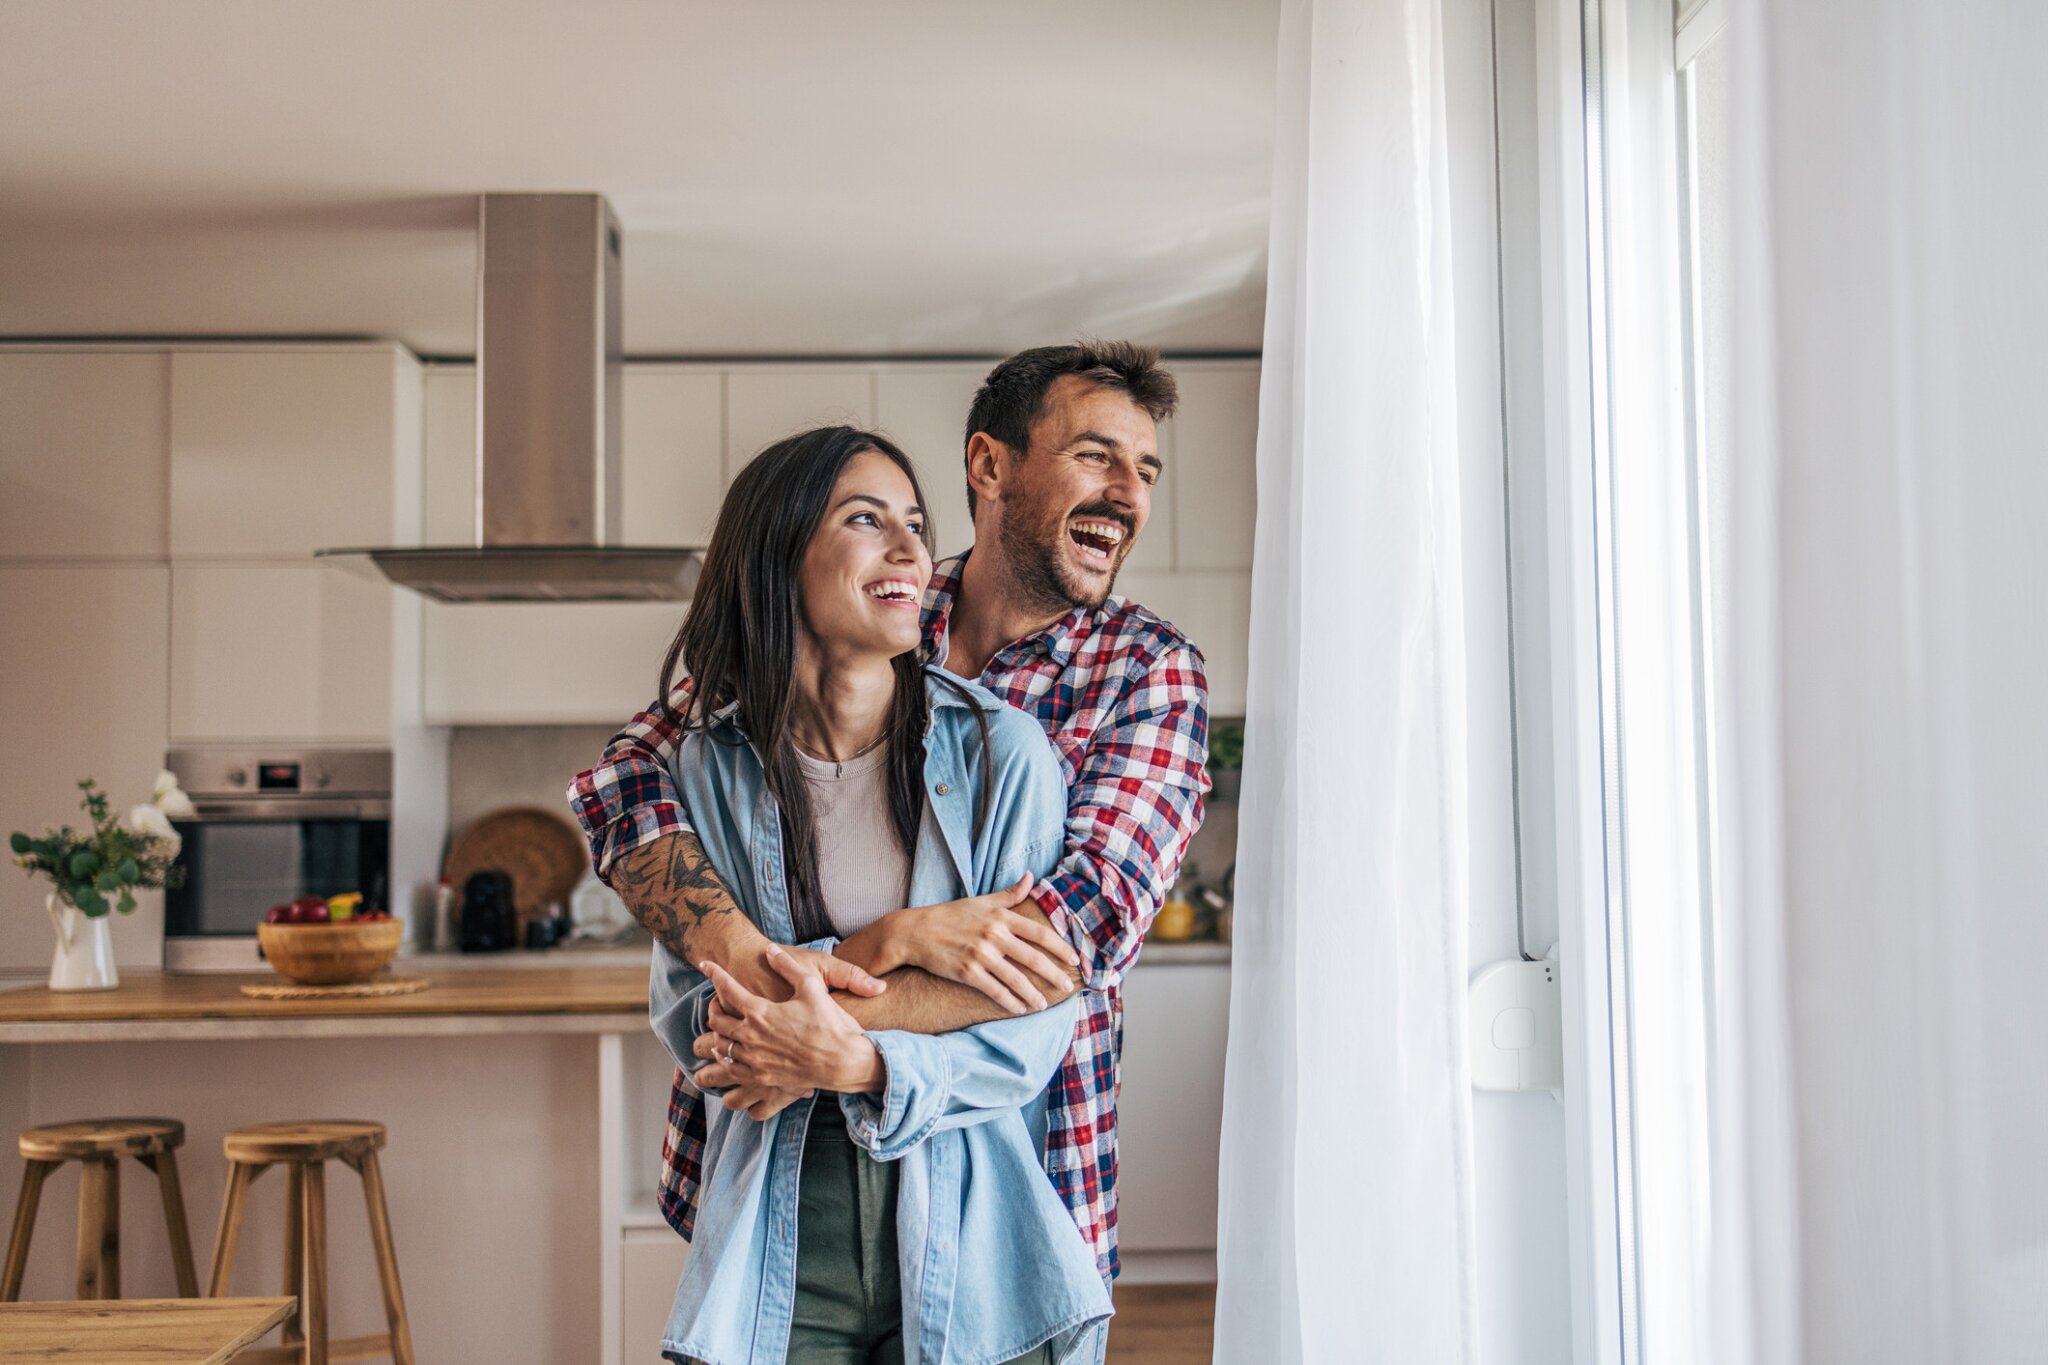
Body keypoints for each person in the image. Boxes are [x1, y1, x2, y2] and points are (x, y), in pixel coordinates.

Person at [568, 341, 1212, 1358]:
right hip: (773, 1169)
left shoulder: (1141, 675)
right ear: (990, 465)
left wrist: (831, 1047)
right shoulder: (865, 605)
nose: (1127, 494)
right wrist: (887, 945)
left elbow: (1058, 953)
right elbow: (627, 781)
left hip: (1013, 1177)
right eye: (1097, 456)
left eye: (1145, 470)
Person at [642, 424, 1109, 1365]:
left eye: (916, 521)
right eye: (867, 519)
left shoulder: (1001, 752)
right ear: (780, 550)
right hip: (780, 1220)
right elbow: (697, 1014)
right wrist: (894, 937)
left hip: (974, 1222)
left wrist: (858, 1065)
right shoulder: (709, 768)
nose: (911, 550)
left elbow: (1033, 1022)